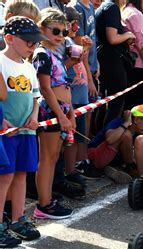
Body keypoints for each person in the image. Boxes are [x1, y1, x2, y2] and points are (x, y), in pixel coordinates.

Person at [0, 16, 44, 247]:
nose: (33, 46)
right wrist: (2, 120)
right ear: (9, 38)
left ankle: (17, 219)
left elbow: (36, 98)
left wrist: (34, 117)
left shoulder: (29, 67)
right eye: (28, 42)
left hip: (26, 131)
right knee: (4, 176)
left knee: (21, 174)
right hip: (4, 132)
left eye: (35, 42)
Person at [32, 8, 74, 220]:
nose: (60, 36)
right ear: (42, 29)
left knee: (53, 156)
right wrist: (61, 115)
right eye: (55, 31)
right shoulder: (41, 54)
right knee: (47, 159)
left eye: (64, 33)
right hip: (51, 111)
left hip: (61, 111)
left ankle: (47, 200)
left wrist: (70, 113)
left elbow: (64, 85)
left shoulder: (54, 54)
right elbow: (45, 88)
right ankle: (44, 204)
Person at [94, 0, 136, 131]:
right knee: (115, 104)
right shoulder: (112, 7)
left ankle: (100, 138)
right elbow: (112, 38)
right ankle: (107, 140)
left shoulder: (105, 6)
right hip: (111, 60)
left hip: (105, 59)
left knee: (106, 103)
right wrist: (128, 35)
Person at [87, 105, 143, 183]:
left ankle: (116, 168)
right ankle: (129, 168)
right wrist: (126, 123)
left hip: (110, 158)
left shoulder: (138, 133)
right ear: (136, 119)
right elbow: (109, 140)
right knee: (126, 135)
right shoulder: (118, 122)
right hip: (93, 156)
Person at [62, 6, 89, 188]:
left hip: (81, 97)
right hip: (71, 98)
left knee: (79, 136)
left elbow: (83, 63)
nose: (76, 26)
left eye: (77, 22)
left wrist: (84, 49)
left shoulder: (73, 42)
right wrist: (74, 59)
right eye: (73, 23)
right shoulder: (64, 43)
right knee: (70, 138)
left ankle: (76, 167)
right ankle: (69, 170)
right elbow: (62, 68)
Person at [122, 0, 143, 109]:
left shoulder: (132, 12)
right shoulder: (134, 14)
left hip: (138, 68)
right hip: (138, 69)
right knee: (137, 109)